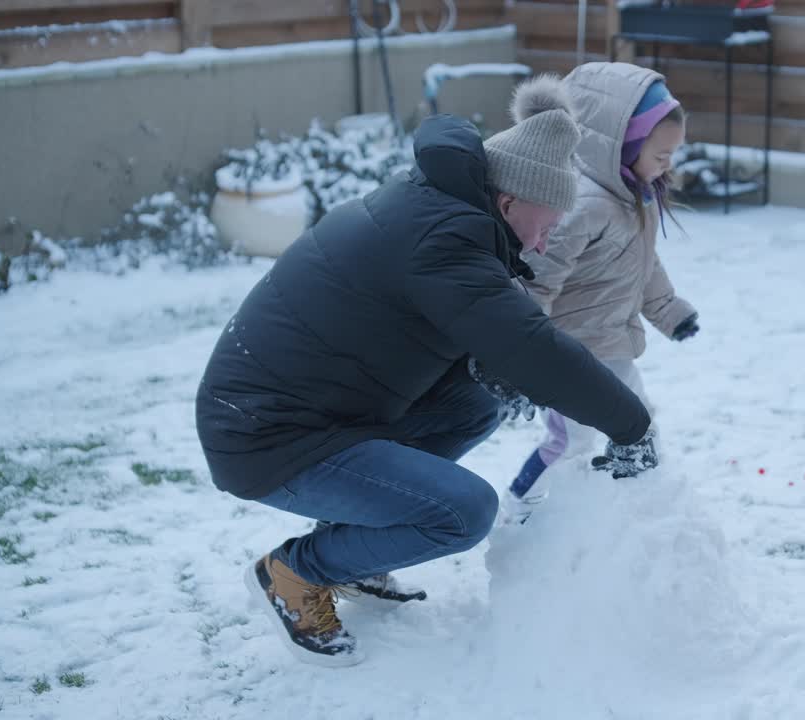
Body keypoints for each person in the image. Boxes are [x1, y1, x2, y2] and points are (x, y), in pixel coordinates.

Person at [195, 76, 657, 667]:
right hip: (267, 436)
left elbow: (418, 326)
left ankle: (355, 552)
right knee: (463, 512)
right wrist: (630, 424)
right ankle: (294, 574)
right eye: (545, 224)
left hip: (310, 409)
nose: (542, 245)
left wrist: (485, 365)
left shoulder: (437, 206)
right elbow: (529, 344)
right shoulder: (446, 241)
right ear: (509, 203)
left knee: (476, 402)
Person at [503, 63, 697, 525]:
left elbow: (642, 265)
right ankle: (521, 506)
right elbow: (537, 280)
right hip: (566, 353)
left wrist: (670, 311)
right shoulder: (583, 205)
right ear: (620, 144)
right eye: (662, 154)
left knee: (638, 423)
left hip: (611, 346)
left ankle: (619, 517)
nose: (668, 164)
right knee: (570, 441)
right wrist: (525, 358)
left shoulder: (634, 197)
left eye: (674, 154)